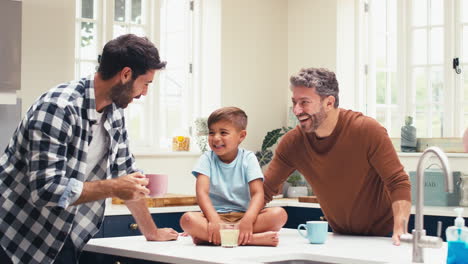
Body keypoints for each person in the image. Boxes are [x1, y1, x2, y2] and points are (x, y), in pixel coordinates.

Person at [0, 34, 179, 264]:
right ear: (125, 75)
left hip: (60, 234)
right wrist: (114, 187)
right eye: (145, 83)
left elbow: (129, 179)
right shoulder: (58, 108)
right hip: (13, 234)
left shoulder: (114, 112)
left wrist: (151, 233)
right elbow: (46, 189)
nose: (144, 92)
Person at [263, 68, 412, 245]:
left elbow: (398, 182)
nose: (296, 110)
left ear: (329, 102)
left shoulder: (367, 130)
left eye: (304, 102)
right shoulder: (293, 142)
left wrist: (399, 231)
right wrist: (235, 223)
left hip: (384, 238)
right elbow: (265, 190)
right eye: (294, 102)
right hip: (340, 236)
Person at [180, 107, 287, 247]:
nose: (216, 138)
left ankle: (211, 238)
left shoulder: (248, 158)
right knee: (187, 219)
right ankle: (251, 239)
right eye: (211, 133)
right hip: (214, 216)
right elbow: (202, 193)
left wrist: (248, 220)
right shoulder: (207, 158)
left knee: (279, 214)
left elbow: (258, 193)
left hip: (244, 216)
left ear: (241, 136)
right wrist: (213, 220)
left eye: (223, 133)